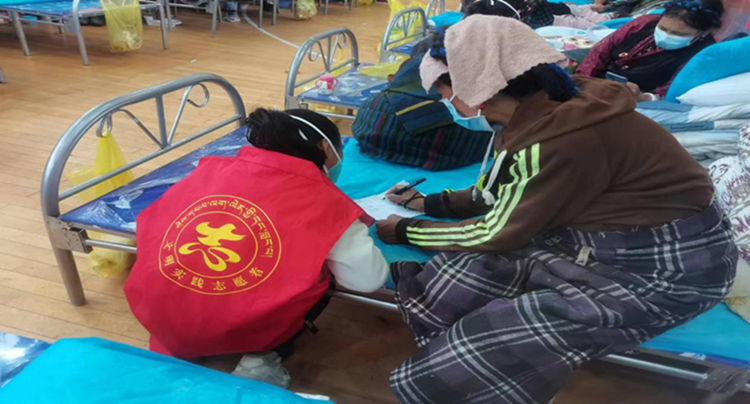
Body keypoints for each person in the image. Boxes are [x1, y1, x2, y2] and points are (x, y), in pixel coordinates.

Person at [375, 15, 736, 403]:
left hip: (667, 270)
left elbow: (497, 231)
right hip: (606, 239)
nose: (446, 105)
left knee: (493, 338)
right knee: (461, 274)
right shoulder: (547, 111)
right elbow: (498, 190)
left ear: (477, 89)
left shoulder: (560, 139)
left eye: (446, 94)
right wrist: (428, 203)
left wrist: (407, 230)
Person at [125, 108, 388, 388]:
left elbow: (151, 224)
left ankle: (186, 342)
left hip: (154, 312)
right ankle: (261, 357)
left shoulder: (209, 170)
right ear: (325, 147)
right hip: (229, 329)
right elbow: (368, 280)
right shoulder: (326, 202)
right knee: (320, 272)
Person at [577, 0, 724, 101]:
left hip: (632, 100)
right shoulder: (646, 22)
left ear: (703, 33)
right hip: (594, 82)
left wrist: (643, 97)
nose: (666, 35)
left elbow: (669, 94)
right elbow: (600, 52)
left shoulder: (702, 55)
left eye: (678, 34)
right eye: (663, 28)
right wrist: (582, 83)